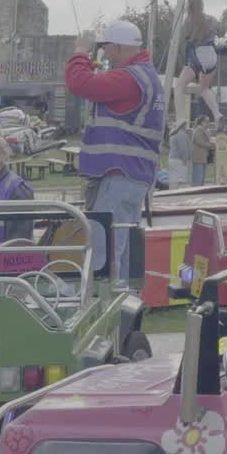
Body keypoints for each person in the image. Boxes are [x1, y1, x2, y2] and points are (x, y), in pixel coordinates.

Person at [65, 19, 163, 278]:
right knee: (123, 249)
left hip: (118, 175)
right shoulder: (145, 76)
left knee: (104, 252)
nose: (104, 54)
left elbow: (79, 84)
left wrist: (80, 52)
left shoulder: (129, 78)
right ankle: (126, 297)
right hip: (133, 175)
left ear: (118, 47)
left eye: (105, 48)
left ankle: (106, 298)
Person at [173, 0, 227, 123]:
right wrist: (226, 17)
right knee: (204, 88)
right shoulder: (212, 19)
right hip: (211, 55)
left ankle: (180, 119)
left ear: (189, 6)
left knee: (179, 87)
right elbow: (222, 32)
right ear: (202, 5)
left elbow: (185, 40)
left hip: (198, 54)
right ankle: (217, 115)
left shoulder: (188, 21)